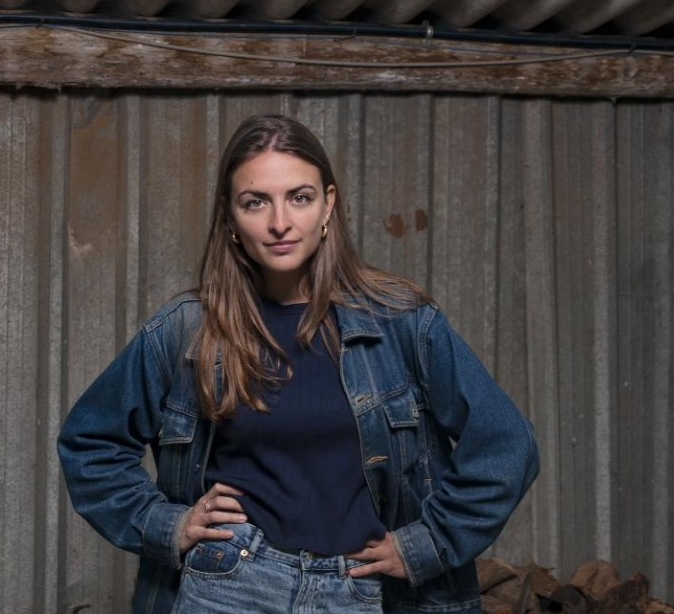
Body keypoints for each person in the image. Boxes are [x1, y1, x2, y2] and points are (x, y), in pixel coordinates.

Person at [58, 114, 539, 614]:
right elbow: (90, 444)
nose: (279, 222)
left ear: (328, 204)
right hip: (231, 585)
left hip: (365, 591)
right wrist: (168, 525)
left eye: (299, 198)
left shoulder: (402, 323)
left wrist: (427, 542)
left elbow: (507, 443)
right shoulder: (187, 331)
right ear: (229, 216)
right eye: (256, 202)